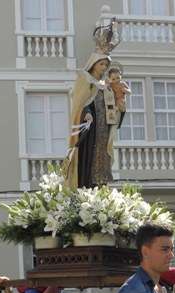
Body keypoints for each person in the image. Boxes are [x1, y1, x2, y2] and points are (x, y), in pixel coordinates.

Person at [63, 20, 124, 189]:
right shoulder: (85, 80)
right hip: (89, 130)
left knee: (102, 159)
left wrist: (120, 109)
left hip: (103, 130)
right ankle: (86, 186)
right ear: (94, 64)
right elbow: (80, 102)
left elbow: (112, 108)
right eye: (101, 64)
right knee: (87, 158)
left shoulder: (106, 86)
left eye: (106, 65)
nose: (104, 68)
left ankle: (100, 188)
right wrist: (87, 112)